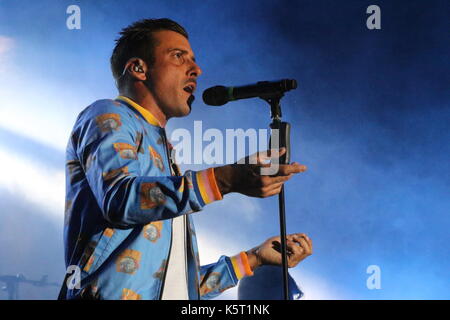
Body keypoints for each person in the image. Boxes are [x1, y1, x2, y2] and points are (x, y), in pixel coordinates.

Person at [59, 18, 312, 300]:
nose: (197, 69)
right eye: (178, 56)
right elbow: (120, 199)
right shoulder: (107, 114)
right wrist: (225, 179)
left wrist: (254, 258)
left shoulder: (164, 151)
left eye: (193, 59)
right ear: (138, 68)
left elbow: (179, 287)